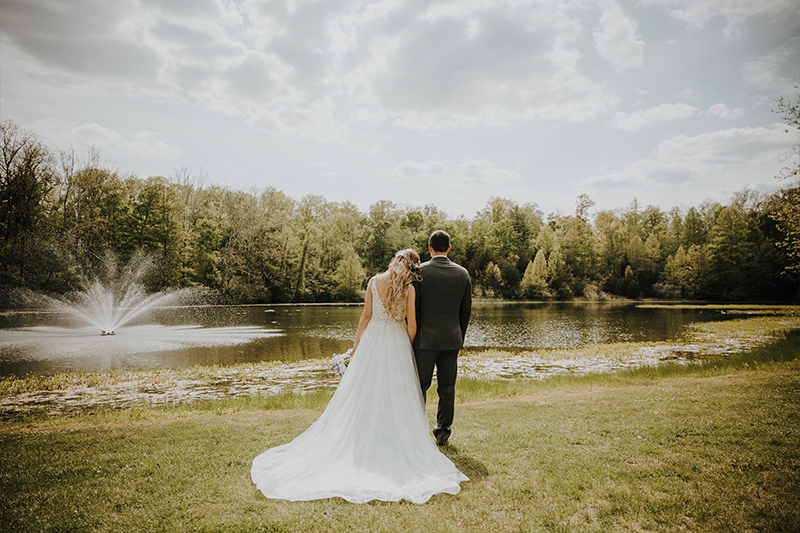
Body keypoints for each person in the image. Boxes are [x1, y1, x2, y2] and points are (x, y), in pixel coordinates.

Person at [251, 248, 467, 504]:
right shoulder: (409, 288)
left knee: (365, 390)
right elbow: (412, 324)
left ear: (394, 262)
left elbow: (366, 315)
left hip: (372, 341)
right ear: (412, 268)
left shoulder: (374, 281)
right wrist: (407, 346)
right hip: (396, 341)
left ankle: (360, 438)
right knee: (396, 392)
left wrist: (356, 346)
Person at [413, 230, 472, 446]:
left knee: (419, 386)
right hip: (451, 340)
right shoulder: (462, 274)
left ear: (429, 247)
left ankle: (417, 430)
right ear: (449, 247)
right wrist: (460, 338)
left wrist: (412, 337)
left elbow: (414, 308)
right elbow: (466, 310)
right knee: (447, 388)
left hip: (424, 341)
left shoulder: (419, 272)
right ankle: (443, 434)